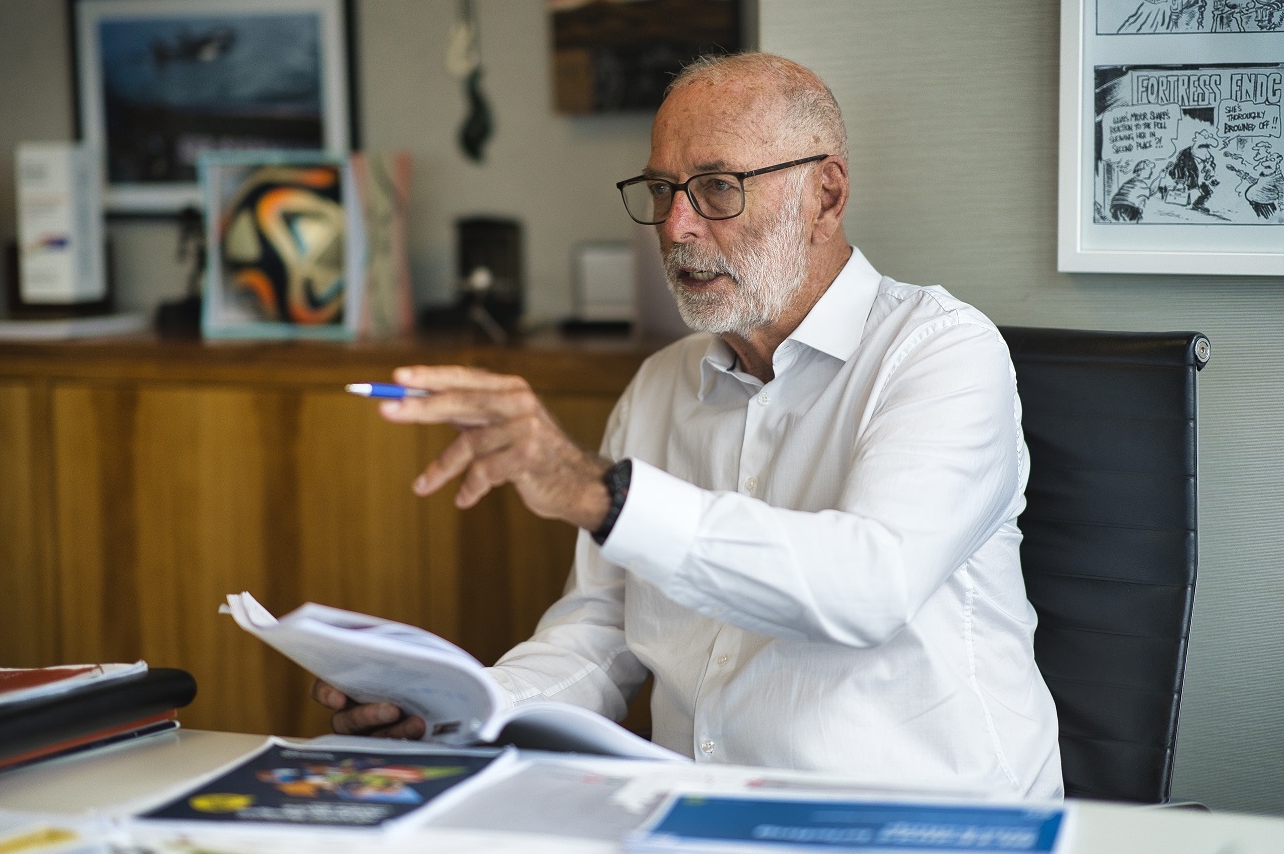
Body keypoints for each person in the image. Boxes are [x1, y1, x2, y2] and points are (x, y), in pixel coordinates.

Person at [314, 52, 1063, 800]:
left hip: (926, 825)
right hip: (697, 820)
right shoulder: (659, 386)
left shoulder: (943, 353)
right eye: (662, 190)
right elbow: (601, 633)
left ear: (825, 195)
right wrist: (461, 713)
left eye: (716, 188)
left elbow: (870, 585)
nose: (676, 226)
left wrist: (605, 497)